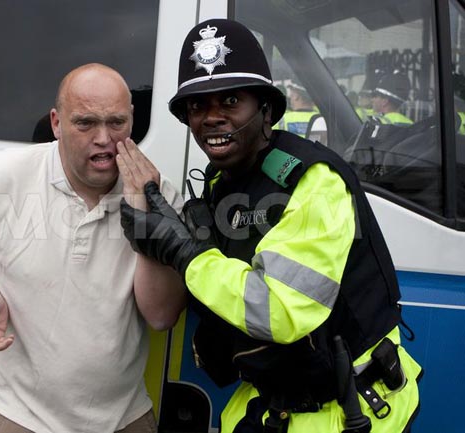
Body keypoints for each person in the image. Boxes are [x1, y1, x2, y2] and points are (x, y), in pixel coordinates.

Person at [117, 19, 422, 433]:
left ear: (265, 109)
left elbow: (279, 311)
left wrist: (184, 253)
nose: (211, 118)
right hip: (273, 402)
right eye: (197, 106)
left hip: (343, 413)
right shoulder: (224, 179)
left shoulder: (313, 182)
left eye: (230, 101)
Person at [0, 63, 185, 433]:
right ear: (57, 123)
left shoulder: (160, 193)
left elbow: (160, 316)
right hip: (21, 413)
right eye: (85, 123)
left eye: (116, 123)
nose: (104, 138)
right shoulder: (3, 174)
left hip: (123, 414)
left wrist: (144, 214)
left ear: (132, 120)